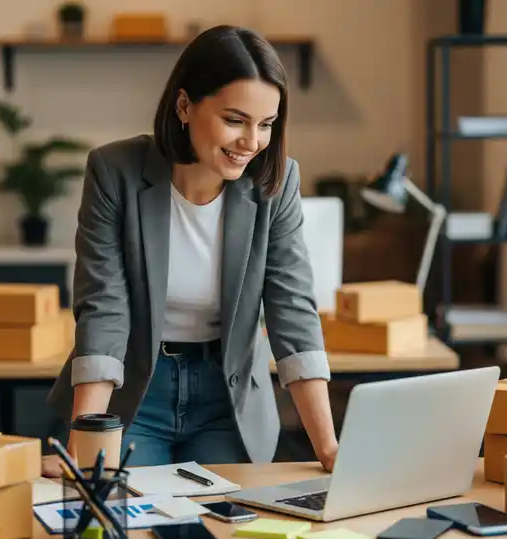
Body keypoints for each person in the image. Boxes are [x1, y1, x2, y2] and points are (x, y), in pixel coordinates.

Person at [41, 25, 338, 476]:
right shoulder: (114, 172)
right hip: (135, 393)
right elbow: (104, 309)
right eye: (235, 120)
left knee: (222, 522)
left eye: (266, 125)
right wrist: (89, 444)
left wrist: (330, 450)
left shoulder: (276, 185)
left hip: (228, 395)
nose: (252, 142)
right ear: (184, 106)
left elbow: (292, 310)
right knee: (119, 515)